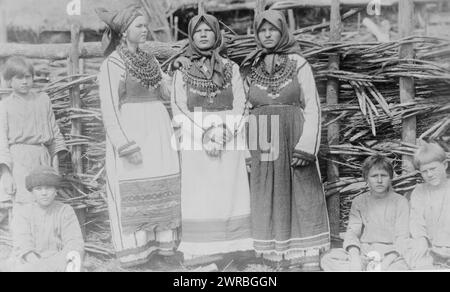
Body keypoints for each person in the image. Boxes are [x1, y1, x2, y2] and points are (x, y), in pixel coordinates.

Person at [240, 10, 330, 270]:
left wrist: (306, 146)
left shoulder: (298, 62)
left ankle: (305, 253)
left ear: (282, 32)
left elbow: (312, 105)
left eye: (273, 30)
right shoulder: (251, 66)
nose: (267, 35)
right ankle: (274, 255)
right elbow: (244, 110)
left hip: (293, 135)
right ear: (257, 34)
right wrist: (247, 151)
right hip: (262, 138)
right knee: (267, 191)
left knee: (300, 190)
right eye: (262, 30)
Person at [96, 5, 181, 267]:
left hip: (158, 131)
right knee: (133, 188)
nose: (145, 30)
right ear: (124, 32)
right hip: (132, 133)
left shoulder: (151, 61)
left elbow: (167, 93)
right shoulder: (112, 64)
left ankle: (162, 249)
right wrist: (124, 144)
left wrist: (179, 72)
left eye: (146, 26)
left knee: (161, 184)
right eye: (139, 26)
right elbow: (109, 108)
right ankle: (137, 253)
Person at [171, 14, 252, 265]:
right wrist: (205, 135)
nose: (203, 35)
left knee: (229, 190)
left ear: (217, 35)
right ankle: (202, 252)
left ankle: (231, 248)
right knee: (201, 192)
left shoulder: (232, 68)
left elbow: (242, 103)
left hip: (230, 138)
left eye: (208, 30)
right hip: (197, 139)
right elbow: (177, 106)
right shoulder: (182, 69)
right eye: (198, 31)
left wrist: (226, 132)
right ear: (191, 36)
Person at [320, 155, 410, 271]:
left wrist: (386, 263)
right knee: (327, 259)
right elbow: (353, 232)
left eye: (383, 175)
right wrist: (355, 258)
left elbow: (402, 237)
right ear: (366, 178)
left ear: (390, 177)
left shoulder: (400, 201)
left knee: (404, 265)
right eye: (374, 176)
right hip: (365, 252)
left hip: (390, 253)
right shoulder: (359, 201)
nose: (379, 180)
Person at [0, 56, 67, 208]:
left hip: (42, 159)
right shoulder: (5, 106)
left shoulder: (43, 100)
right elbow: (1, 142)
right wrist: (6, 174)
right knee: (23, 206)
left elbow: (54, 136)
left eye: (27, 77)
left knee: (45, 205)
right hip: (19, 162)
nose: (24, 81)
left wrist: (54, 168)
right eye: (19, 78)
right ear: (9, 80)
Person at [8, 166, 84, 272]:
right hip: (30, 262)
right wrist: (40, 266)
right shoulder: (23, 212)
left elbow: (73, 240)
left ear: (56, 190)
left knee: (74, 264)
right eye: (38, 189)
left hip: (58, 260)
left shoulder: (65, 210)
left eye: (48, 188)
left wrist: (62, 260)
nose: (44, 193)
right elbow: (23, 243)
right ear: (32, 191)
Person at [405, 142, 450, 270]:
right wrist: (421, 239)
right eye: (425, 171)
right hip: (430, 248)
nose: (429, 174)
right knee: (412, 253)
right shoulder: (419, 191)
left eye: (433, 169)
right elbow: (416, 221)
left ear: (445, 165)